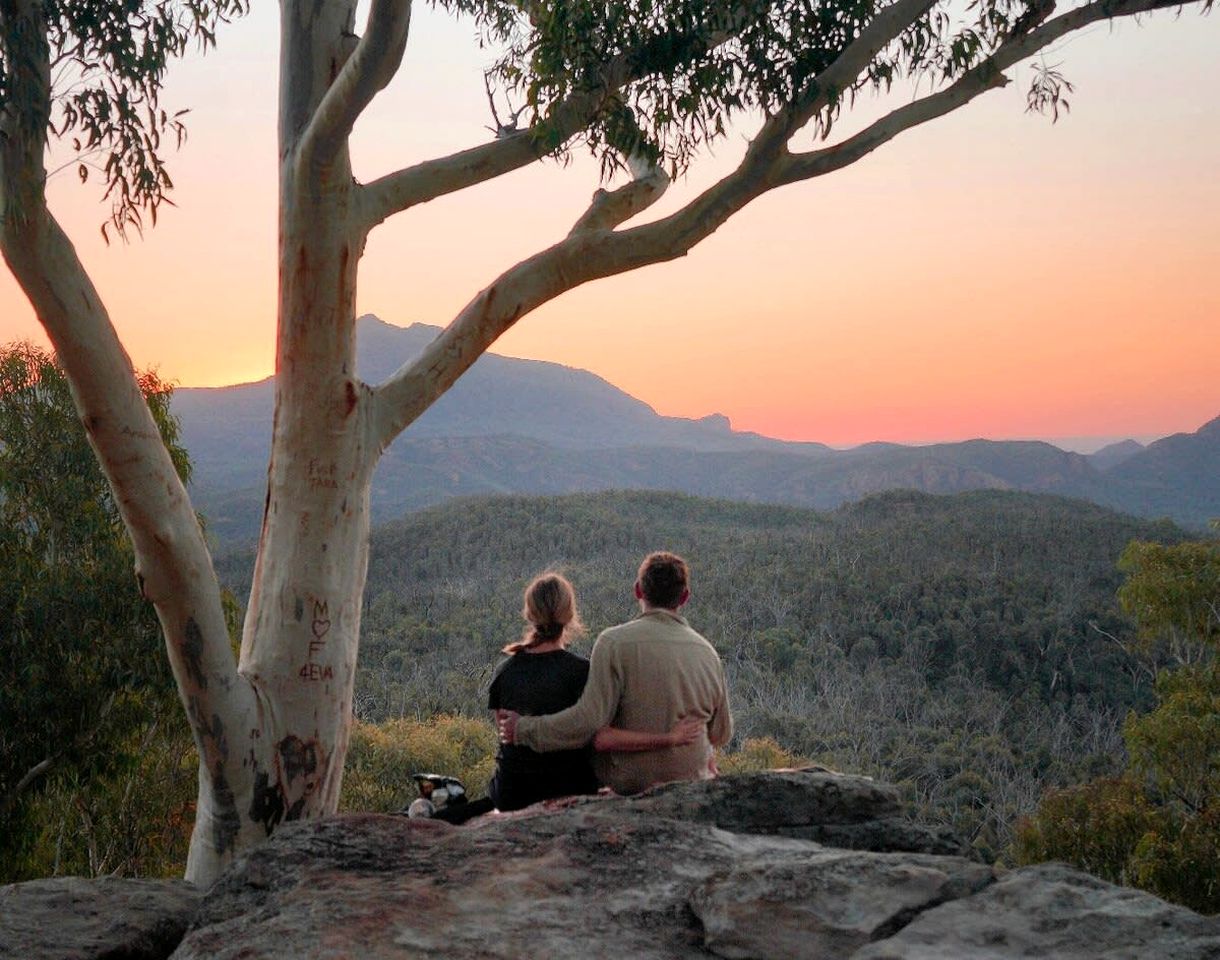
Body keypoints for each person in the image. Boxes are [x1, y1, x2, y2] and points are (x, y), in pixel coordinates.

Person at [431, 572, 700, 823]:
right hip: (572, 791)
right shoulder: (584, 672)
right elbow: (600, 737)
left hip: (511, 795)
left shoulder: (507, 672)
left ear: (529, 613)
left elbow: (507, 742)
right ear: (570, 615)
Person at [499, 552, 733, 795]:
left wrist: (523, 729)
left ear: (638, 591)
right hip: (692, 778)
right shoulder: (708, 652)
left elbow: (587, 722)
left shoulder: (613, 642)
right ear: (684, 597)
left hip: (629, 781)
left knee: (595, 740)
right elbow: (721, 734)